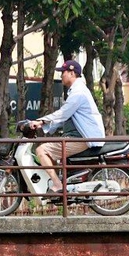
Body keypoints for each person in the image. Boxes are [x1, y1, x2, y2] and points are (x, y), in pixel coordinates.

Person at [25, 58, 105, 190]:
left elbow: (63, 114)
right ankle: (60, 182)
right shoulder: (76, 91)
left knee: (41, 150)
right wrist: (44, 125)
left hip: (83, 138)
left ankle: (57, 185)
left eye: (63, 72)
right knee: (49, 149)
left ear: (72, 73)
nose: (61, 75)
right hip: (80, 137)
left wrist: (41, 121)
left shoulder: (78, 92)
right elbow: (63, 118)